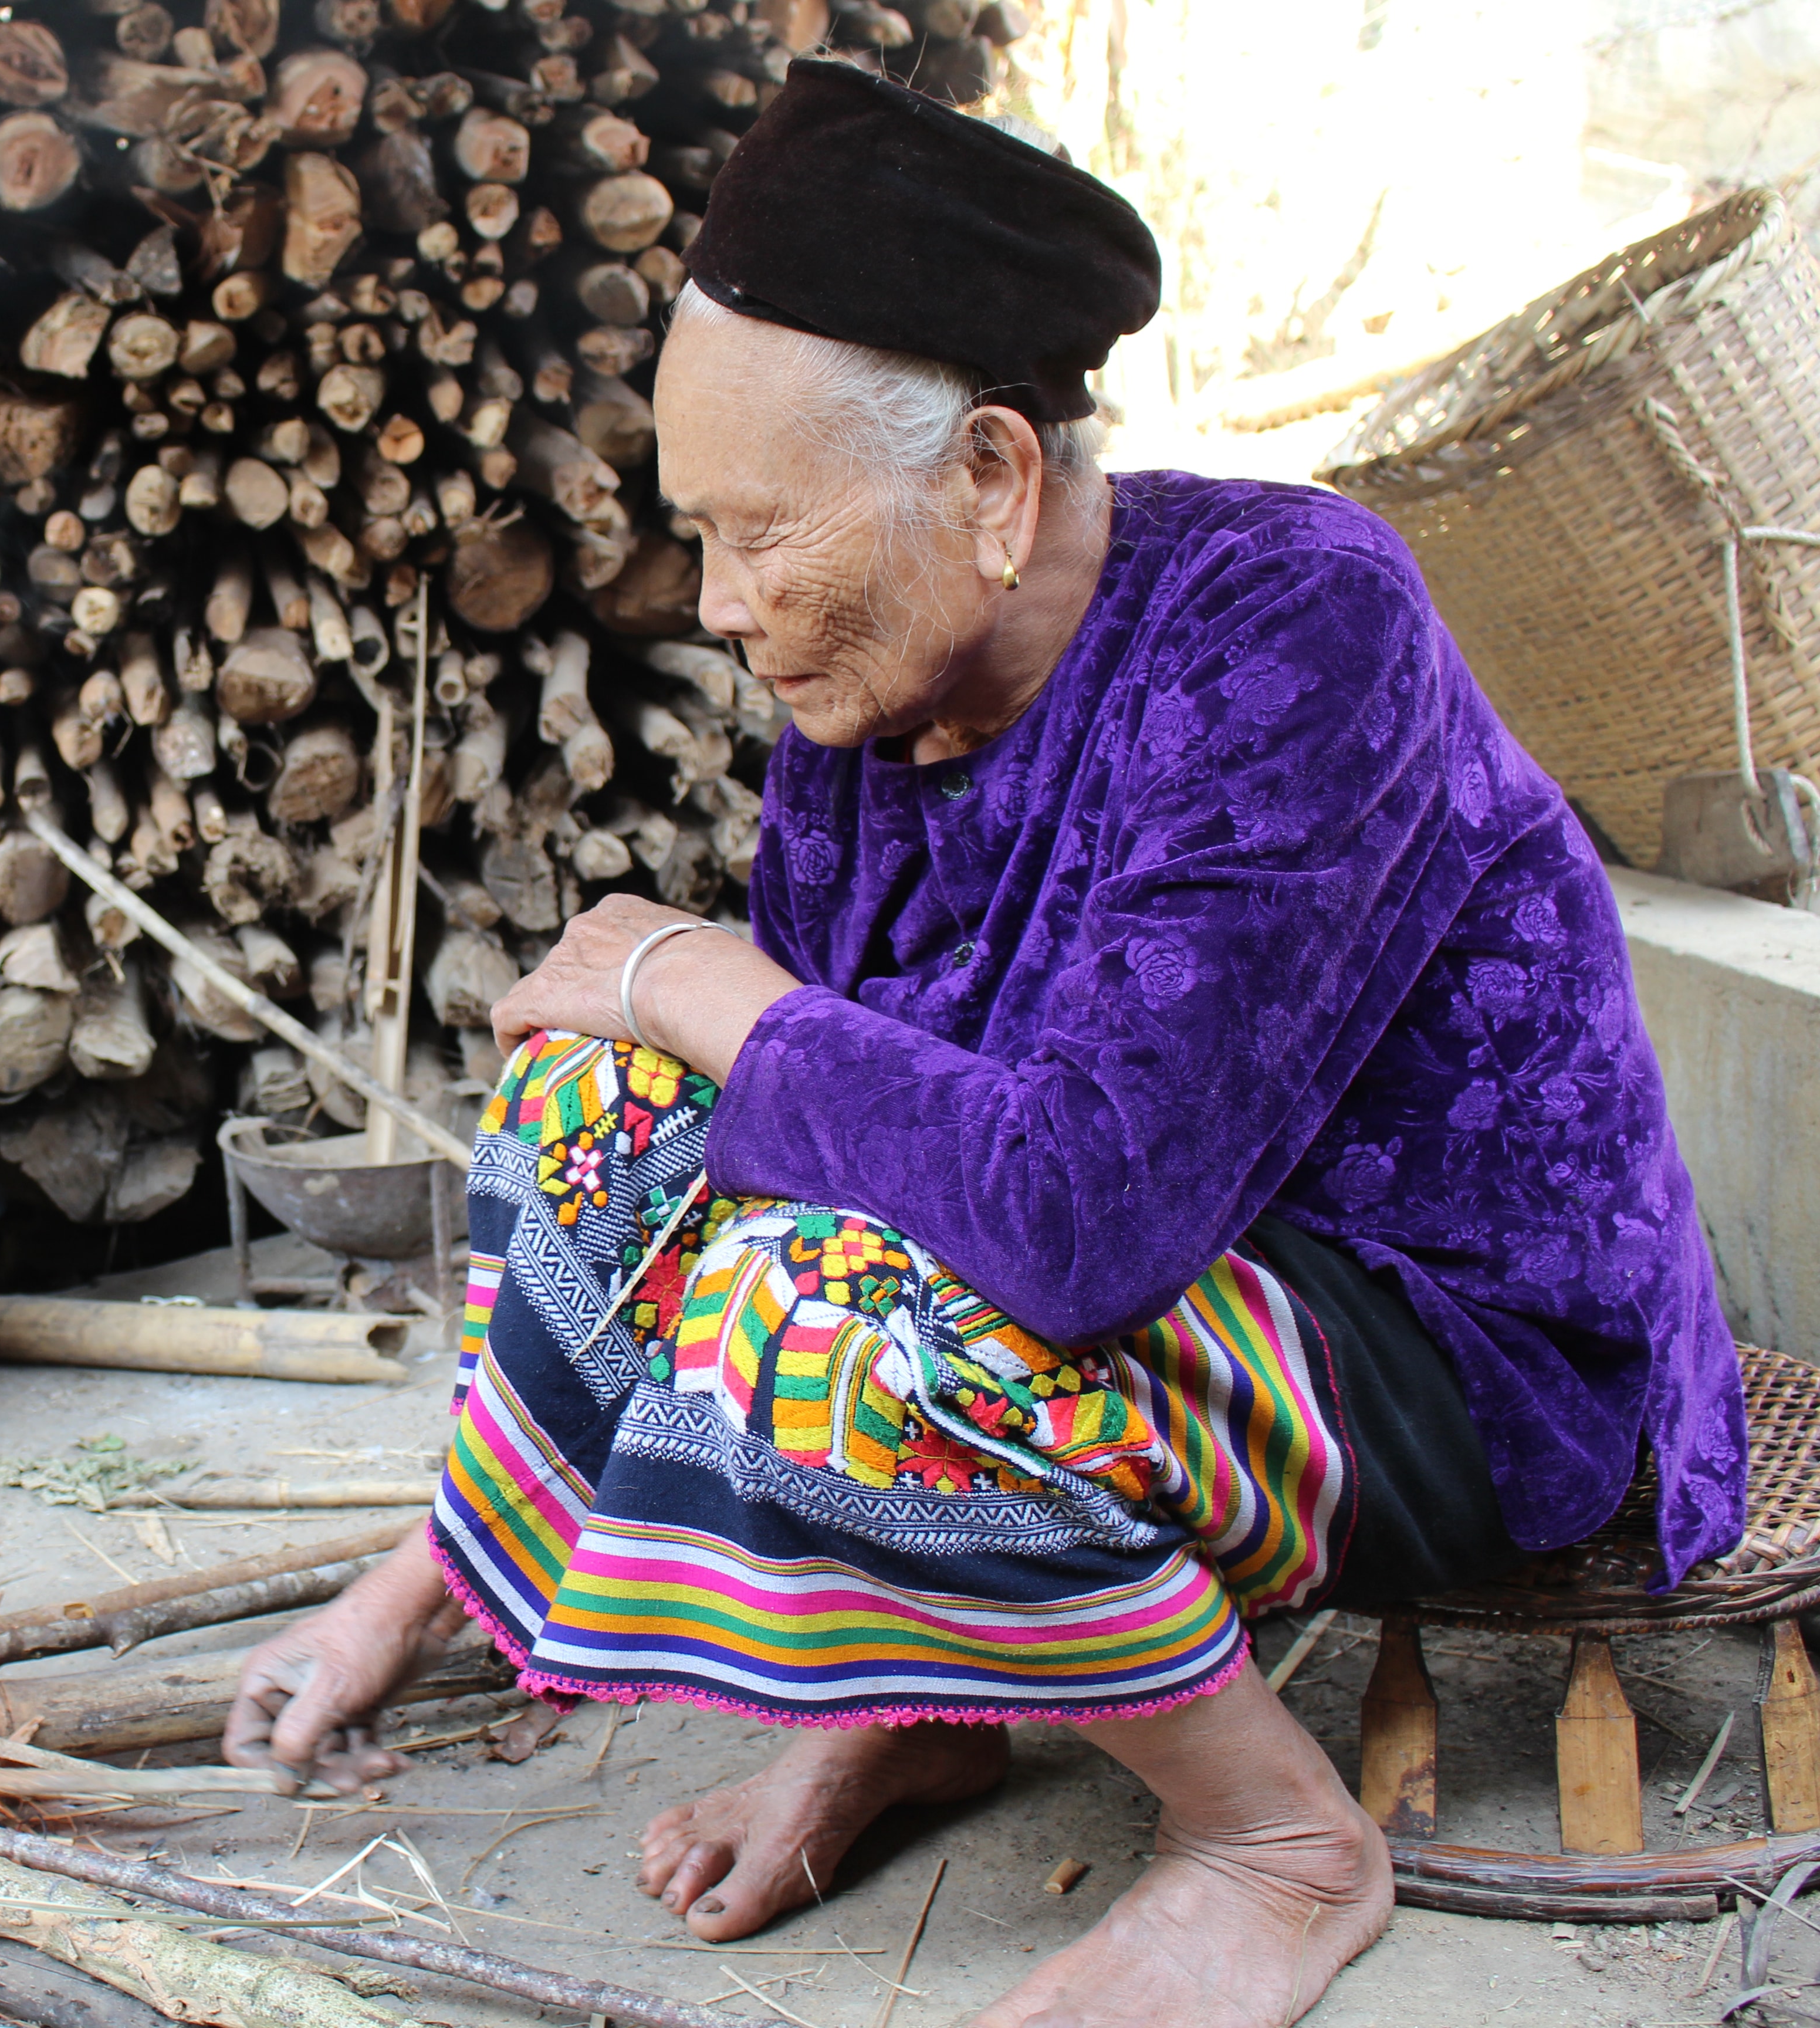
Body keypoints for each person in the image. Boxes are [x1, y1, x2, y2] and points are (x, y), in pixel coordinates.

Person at [219, 58, 1746, 2028]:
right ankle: (914, 1708)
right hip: (1151, 1279)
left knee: (826, 1307)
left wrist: (698, 974)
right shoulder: (876, 697)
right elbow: (784, 1128)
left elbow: (1071, 1218)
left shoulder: (1300, 623)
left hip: (1443, 1342)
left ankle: (1273, 1839)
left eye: (761, 536)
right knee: (601, 1106)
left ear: (995, 482)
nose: (722, 609)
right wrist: (405, 1595)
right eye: (701, 540)